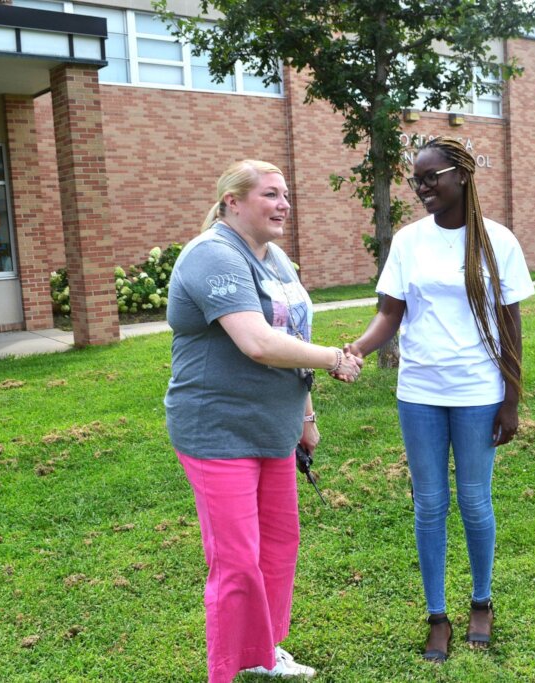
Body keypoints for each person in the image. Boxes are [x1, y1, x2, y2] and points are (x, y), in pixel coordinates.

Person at [164, 159, 362, 682]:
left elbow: (290, 335)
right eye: (271, 194)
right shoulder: (213, 255)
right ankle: (225, 671)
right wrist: (335, 358)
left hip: (272, 428)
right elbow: (257, 342)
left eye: (286, 195)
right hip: (218, 431)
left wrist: (306, 416)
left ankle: (264, 652)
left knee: (278, 544)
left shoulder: (277, 259)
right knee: (236, 562)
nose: (284, 205)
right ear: (233, 201)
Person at [346, 136, 535, 662]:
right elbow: (390, 313)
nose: (422, 187)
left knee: (475, 501)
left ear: (462, 175)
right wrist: (358, 348)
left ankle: (481, 602)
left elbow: (511, 327)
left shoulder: (498, 241)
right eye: (416, 179)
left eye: (432, 177)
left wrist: (511, 400)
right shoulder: (409, 242)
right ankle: (436, 615)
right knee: (429, 505)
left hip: (478, 391)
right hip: (421, 391)